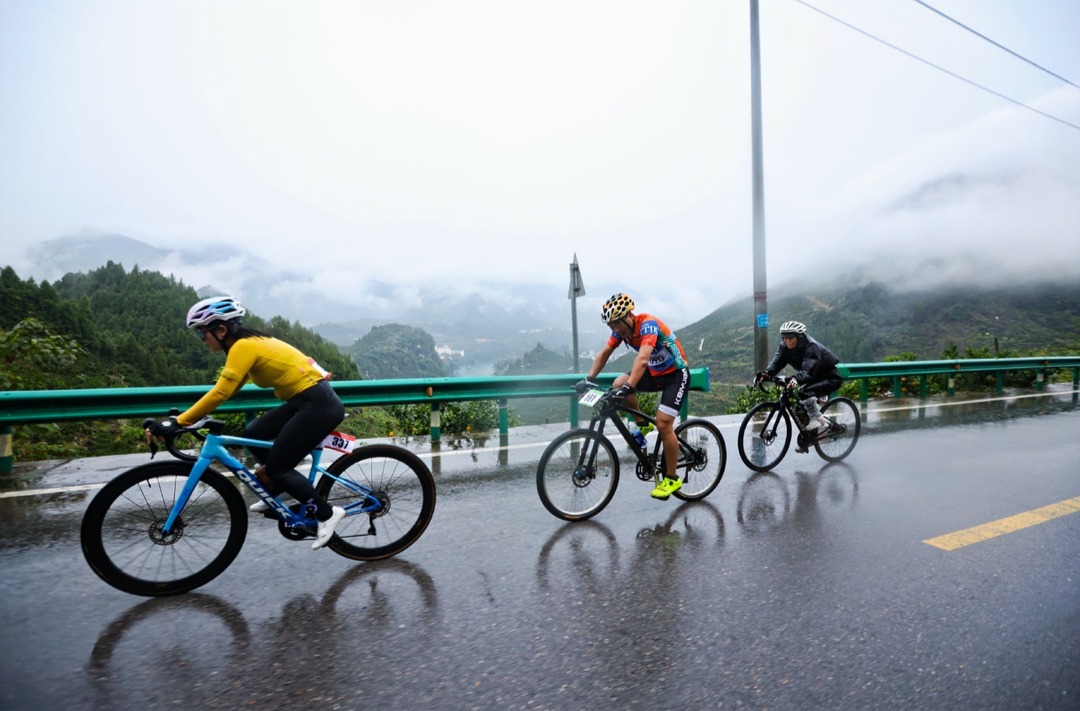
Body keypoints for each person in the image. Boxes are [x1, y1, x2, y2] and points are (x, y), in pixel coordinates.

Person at [145, 296, 346, 550]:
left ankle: (326, 514)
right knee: (254, 431)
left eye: (201, 334)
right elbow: (229, 388)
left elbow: (220, 393)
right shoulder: (244, 346)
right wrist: (183, 419)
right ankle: (283, 488)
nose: (202, 340)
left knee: (278, 467)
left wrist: (180, 421)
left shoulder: (244, 346)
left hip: (317, 403)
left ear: (220, 330)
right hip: (304, 400)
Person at [576, 293, 690, 500]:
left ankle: (672, 478)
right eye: (611, 326)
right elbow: (604, 354)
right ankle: (642, 423)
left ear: (629, 316)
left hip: (675, 375)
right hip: (655, 374)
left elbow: (643, 359)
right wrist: (589, 378)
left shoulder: (648, 325)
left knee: (664, 425)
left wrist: (630, 388)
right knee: (616, 384)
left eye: (617, 324)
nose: (615, 330)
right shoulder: (622, 332)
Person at [755, 320, 843, 445]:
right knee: (799, 407)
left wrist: (796, 379)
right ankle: (810, 437)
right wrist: (766, 374)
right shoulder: (784, 347)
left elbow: (807, 371)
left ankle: (820, 421)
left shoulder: (811, 347)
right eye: (785, 338)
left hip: (829, 378)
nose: (788, 341)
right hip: (812, 378)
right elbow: (777, 362)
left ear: (800, 337)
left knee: (803, 391)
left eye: (791, 337)